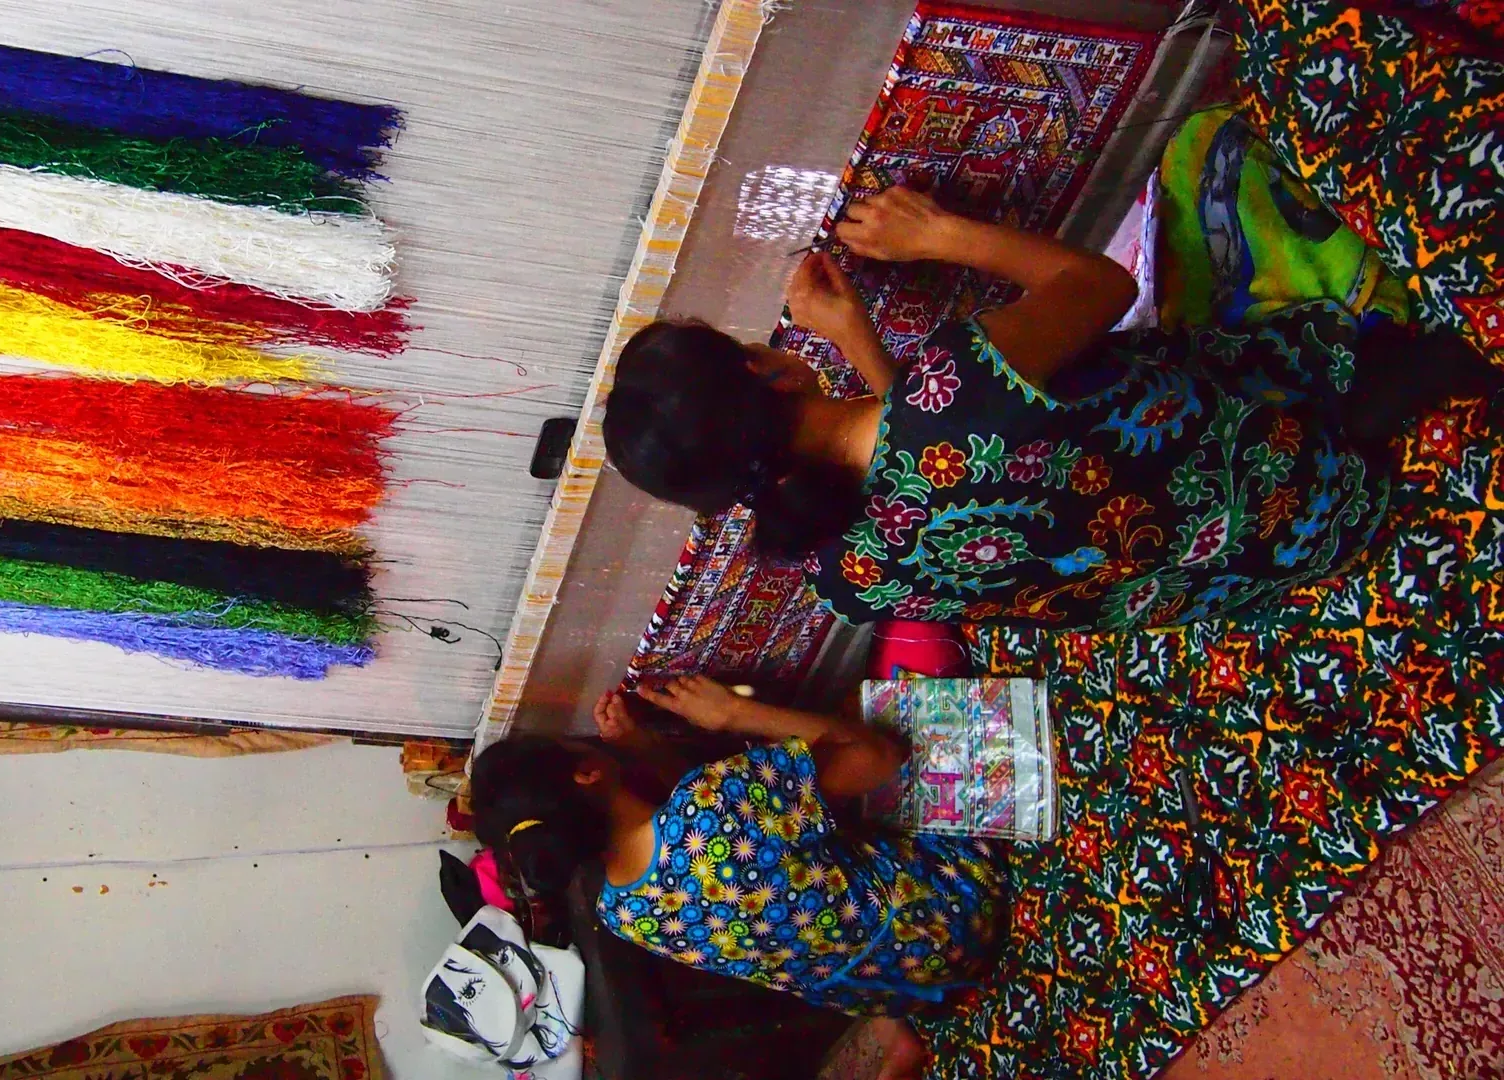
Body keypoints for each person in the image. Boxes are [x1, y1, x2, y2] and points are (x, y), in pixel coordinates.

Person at [601, 185, 1500, 630]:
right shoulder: (965, 374)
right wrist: (934, 234)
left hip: (1262, 568)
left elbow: (925, 461)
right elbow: (1099, 285)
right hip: (1298, 467)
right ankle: (1413, 383)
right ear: (769, 372)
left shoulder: (841, 580)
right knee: (1214, 172)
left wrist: (854, 340)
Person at [471, 676, 1007, 1080]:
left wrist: (639, 746)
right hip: (960, 915)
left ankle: (897, 1032)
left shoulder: (621, 913)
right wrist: (734, 713)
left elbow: (712, 838)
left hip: (901, 988)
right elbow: (879, 756)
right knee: (863, 725)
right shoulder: (715, 798)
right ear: (586, 771)